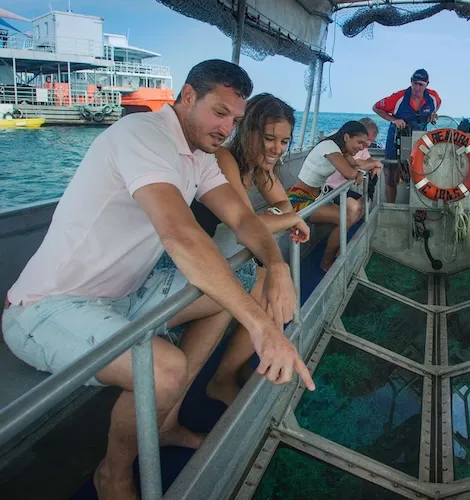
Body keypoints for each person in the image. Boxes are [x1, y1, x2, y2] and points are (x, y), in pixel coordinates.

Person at [1, 60, 314, 500]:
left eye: (235, 120)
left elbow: (243, 217)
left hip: (121, 296)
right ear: (187, 97)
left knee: (238, 283)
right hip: (46, 307)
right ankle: (112, 473)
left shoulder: (201, 158)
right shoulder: (142, 135)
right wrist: (262, 327)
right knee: (165, 369)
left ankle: (163, 423)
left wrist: (276, 267)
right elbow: (179, 232)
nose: (226, 127)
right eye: (218, 112)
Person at [150, 92, 311, 407]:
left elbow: (281, 205)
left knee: (269, 286)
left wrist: (282, 216)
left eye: (284, 141)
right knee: (258, 285)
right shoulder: (224, 159)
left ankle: (225, 375)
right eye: (268, 138)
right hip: (180, 260)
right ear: (249, 131)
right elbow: (247, 224)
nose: (277, 149)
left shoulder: (260, 169)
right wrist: (288, 218)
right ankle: (219, 380)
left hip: (213, 255)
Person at [287, 121, 381, 272]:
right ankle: (326, 262)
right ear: (346, 137)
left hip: (319, 197)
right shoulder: (329, 147)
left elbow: (355, 166)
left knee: (348, 216)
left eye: (364, 143)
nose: (362, 147)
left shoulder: (342, 151)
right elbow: (349, 173)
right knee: (346, 219)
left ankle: (334, 254)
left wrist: (359, 169)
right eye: (359, 142)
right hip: (300, 200)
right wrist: (355, 173)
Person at [373, 69, 442, 203]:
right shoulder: (398, 98)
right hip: (397, 138)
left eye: (421, 85)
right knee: (391, 174)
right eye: (415, 83)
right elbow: (376, 108)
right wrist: (394, 120)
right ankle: (390, 207)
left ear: (427, 84)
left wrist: (433, 113)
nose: (417, 88)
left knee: (420, 172)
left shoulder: (433, 97)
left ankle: (418, 207)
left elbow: (438, 104)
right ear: (411, 81)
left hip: (419, 138)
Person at [324, 117, 382, 193]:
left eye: (372, 141)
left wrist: (374, 166)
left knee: (361, 202)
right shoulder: (337, 144)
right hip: (328, 187)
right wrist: (374, 164)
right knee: (354, 205)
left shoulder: (361, 145)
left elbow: (367, 160)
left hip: (342, 187)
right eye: (368, 139)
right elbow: (351, 170)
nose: (369, 144)